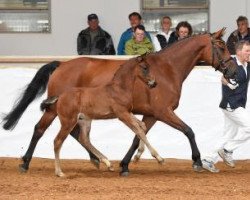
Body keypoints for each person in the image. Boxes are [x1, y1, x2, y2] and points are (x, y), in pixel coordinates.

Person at [202, 40, 250, 173]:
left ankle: (207, 160)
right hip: (231, 105)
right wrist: (227, 83)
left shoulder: (247, 64)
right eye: (247, 51)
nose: (249, 53)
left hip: (238, 104)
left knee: (228, 135)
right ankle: (227, 150)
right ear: (239, 52)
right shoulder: (231, 64)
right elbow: (222, 78)